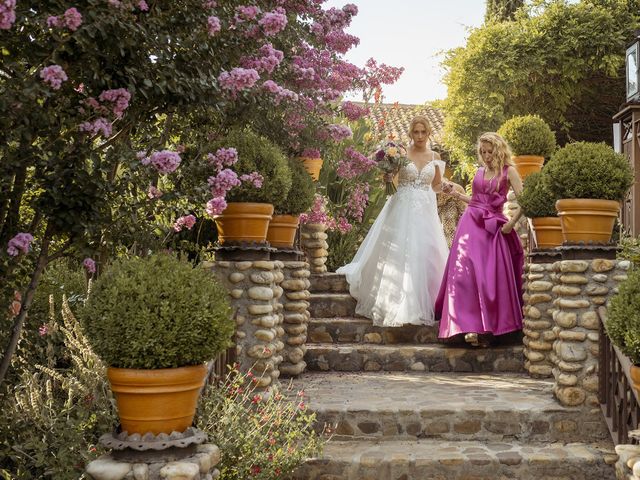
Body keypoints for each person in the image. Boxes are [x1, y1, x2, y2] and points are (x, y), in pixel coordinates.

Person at [336, 116, 449, 327]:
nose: (420, 136)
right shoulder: (400, 154)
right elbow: (392, 181)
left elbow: (436, 185)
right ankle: (397, 303)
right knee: (399, 251)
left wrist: (450, 188)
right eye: (416, 132)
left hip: (425, 209)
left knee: (427, 251)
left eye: (423, 132)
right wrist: (387, 178)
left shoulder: (435, 156)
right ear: (410, 133)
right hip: (402, 206)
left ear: (429, 133)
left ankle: (430, 300)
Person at [437, 132, 524, 346]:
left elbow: (525, 201)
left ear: (498, 149)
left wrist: (511, 224)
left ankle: (490, 330)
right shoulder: (479, 172)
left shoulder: (509, 172)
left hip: (493, 228)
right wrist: (455, 194)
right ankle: (462, 326)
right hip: (469, 225)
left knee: (488, 278)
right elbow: (475, 201)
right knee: (462, 274)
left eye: (489, 151)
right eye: (482, 152)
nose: (485, 156)